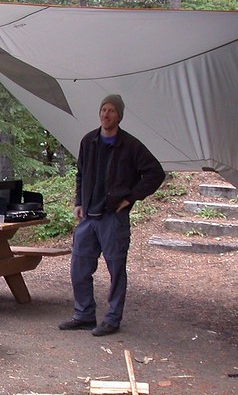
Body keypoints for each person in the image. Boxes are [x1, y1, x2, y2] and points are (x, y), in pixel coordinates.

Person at [59, 94, 165, 337]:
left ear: (119, 116)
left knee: (116, 269)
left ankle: (112, 319)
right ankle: (84, 314)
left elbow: (155, 173)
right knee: (79, 267)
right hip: (89, 217)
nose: (106, 114)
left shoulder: (130, 145)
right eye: (103, 110)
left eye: (112, 111)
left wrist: (130, 198)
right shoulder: (89, 141)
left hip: (113, 218)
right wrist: (79, 201)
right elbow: (81, 174)